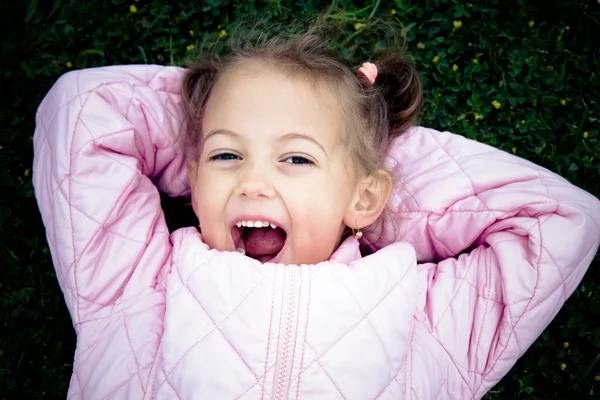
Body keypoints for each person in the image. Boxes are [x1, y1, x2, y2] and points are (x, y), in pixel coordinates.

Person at [33, 24, 600, 399]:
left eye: (297, 158)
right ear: (192, 176)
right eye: (227, 153)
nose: (253, 179)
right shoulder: (136, 285)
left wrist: (373, 155)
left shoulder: (427, 320)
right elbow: (81, 111)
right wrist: (214, 107)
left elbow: (559, 219)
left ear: (364, 197)